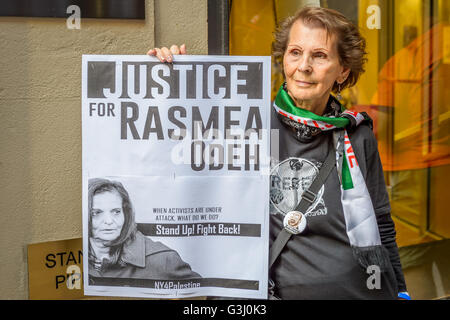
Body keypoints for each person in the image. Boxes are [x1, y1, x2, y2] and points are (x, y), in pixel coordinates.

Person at [148, 7, 408, 300]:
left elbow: (381, 223)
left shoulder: (356, 134)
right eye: (295, 52)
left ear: (343, 70)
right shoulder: (248, 127)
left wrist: (401, 290)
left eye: (320, 55)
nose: (304, 66)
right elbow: (177, 170)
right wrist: (175, 83)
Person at [88, 178, 201, 286]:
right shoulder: (74, 256)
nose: (108, 221)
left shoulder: (162, 260)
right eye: (96, 213)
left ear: (126, 214)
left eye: (116, 212)